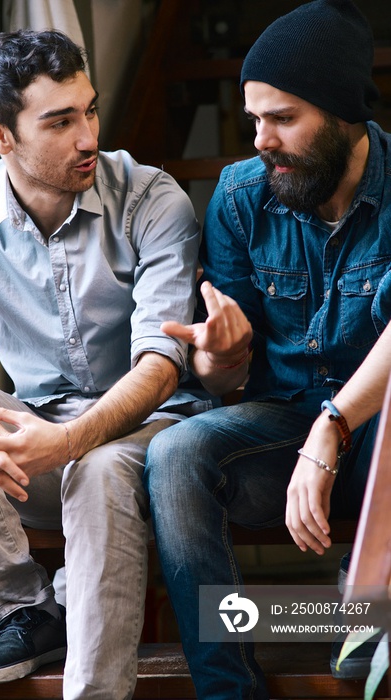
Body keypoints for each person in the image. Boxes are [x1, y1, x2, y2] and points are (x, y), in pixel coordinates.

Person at [0, 29, 210, 699]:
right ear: (0, 136)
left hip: (153, 439)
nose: (88, 136)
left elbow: (161, 365)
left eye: (90, 110)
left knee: (98, 464)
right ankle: (24, 605)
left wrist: (67, 442)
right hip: (36, 441)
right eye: (59, 121)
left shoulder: (152, 198)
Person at [143, 0, 391, 697]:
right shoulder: (240, 195)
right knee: (174, 451)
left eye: (282, 118)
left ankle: (369, 623)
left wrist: (334, 422)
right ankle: (228, 686)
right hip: (282, 424)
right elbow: (224, 373)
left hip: (378, 433)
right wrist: (220, 356)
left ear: (344, 115)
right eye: (254, 118)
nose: (260, 139)